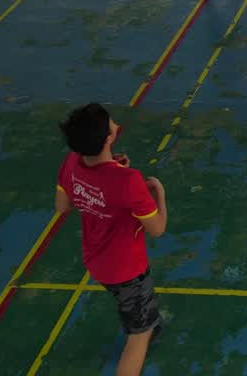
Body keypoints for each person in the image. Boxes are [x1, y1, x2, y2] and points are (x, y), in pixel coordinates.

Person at [55, 104, 167, 376]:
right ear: (108, 138)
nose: (116, 124)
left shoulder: (71, 162)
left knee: (135, 312)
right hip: (127, 271)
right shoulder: (128, 181)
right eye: (112, 123)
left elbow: (62, 206)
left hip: (96, 260)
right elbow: (157, 229)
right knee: (138, 337)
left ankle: (146, 322)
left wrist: (108, 173)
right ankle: (143, 331)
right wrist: (159, 194)